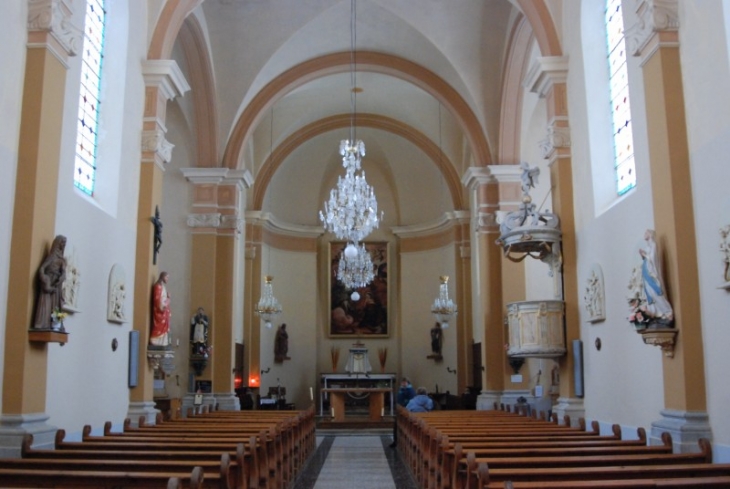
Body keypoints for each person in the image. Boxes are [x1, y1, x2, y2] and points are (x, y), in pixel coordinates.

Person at [638, 229, 674, 325]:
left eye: (646, 233)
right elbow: (646, 258)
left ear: (650, 234)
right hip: (646, 272)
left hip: (651, 273)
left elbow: (653, 258)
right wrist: (643, 255)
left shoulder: (653, 245)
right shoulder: (648, 246)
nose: (644, 234)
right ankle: (656, 313)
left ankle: (667, 312)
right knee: (649, 293)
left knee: (655, 292)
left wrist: (645, 255)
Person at [33, 235, 67, 329]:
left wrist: (62, 277)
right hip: (49, 283)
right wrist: (45, 279)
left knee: (55, 305)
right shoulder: (52, 257)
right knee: (46, 303)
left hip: (56, 285)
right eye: (62, 243)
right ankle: (43, 323)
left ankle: (54, 324)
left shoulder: (62, 260)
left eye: (64, 244)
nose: (63, 246)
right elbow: (42, 268)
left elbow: (64, 272)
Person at [390, 377, 416, 448]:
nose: (403, 384)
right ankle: (396, 441)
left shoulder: (410, 390)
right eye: (402, 382)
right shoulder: (402, 389)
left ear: (408, 383)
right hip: (400, 409)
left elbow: (411, 400)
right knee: (396, 426)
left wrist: (404, 405)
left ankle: (398, 442)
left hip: (405, 410)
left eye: (404, 382)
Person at [150, 271, 171, 347]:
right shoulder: (158, 286)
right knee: (159, 325)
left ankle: (162, 342)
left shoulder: (162, 286)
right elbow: (157, 300)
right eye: (167, 277)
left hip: (164, 312)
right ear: (163, 276)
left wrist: (168, 298)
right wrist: (166, 301)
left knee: (164, 326)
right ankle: (156, 340)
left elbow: (163, 299)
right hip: (160, 312)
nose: (167, 279)